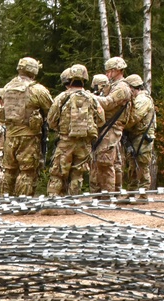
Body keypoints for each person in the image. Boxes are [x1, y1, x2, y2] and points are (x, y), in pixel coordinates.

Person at [45, 64, 105, 201]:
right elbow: (101, 120)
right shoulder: (92, 98)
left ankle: (53, 204)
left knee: (58, 173)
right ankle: (73, 204)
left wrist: (60, 129)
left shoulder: (62, 97)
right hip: (84, 143)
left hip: (65, 141)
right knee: (77, 175)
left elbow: (51, 120)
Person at [0, 57, 53, 196]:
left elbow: (1, 113)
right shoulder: (37, 90)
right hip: (29, 136)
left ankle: (5, 202)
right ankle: (23, 204)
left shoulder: (7, 89)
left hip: (10, 136)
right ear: (33, 71)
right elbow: (51, 110)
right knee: (27, 171)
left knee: (9, 171)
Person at [92, 56, 134, 193]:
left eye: (109, 71)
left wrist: (91, 98)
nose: (107, 74)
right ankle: (107, 193)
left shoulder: (122, 87)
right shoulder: (115, 86)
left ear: (117, 70)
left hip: (112, 127)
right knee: (107, 161)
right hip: (108, 126)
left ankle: (108, 194)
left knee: (105, 162)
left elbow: (108, 103)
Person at [123, 74, 155, 197]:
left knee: (142, 166)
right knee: (132, 166)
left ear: (133, 88)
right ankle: (131, 194)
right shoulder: (137, 100)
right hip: (135, 137)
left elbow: (134, 118)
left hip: (142, 137)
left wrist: (121, 123)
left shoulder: (143, 100)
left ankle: (143, 195)